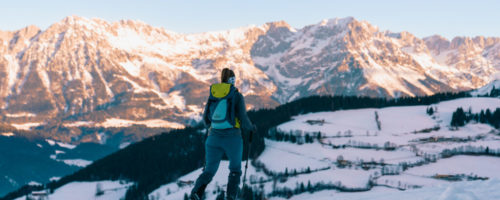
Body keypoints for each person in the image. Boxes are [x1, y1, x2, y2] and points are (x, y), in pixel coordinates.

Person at [191, 68, 256, 200]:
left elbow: (205, 120)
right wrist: (252, 128)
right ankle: (231, 197)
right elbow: (243, 119)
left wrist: (214, 130)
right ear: (232, 80)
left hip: (213, 138)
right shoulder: (236, 96)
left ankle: (196, 193)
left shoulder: (213, 94)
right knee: (235, 170)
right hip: (233, 138)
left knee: (209, 170)